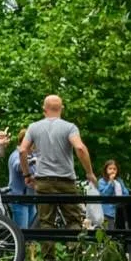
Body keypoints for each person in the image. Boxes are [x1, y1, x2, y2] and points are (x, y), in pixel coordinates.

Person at [17, 95, 96, 231]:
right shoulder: (70, 128)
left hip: (44, 182)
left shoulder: (34, 127)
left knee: (46, 223)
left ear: (44, 109)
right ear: (62, 108)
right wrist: (89, 173)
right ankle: (74, 250)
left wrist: (27, 175)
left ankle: (48, 253)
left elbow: (22, 150)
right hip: (66, 181)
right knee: (73, 221)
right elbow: (80, 148)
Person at [6, 129, 36, 230]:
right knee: (22, 232)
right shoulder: (15, 155)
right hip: (18, 200)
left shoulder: (33, 155)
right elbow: (18, 166)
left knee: (34, 231)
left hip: (31, 199)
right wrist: (32, 161)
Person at [97, 159, 127, 226]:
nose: (112, 171)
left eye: (114, 169)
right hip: (106, 212)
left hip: (119, 211)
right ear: (106, 170)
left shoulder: (119, 181)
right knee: (108, 233)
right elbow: (104, 195)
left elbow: (125, 193)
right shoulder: (101, 181)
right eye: (110, 168)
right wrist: (111, 182)